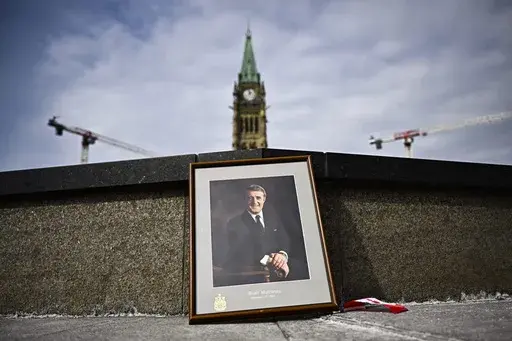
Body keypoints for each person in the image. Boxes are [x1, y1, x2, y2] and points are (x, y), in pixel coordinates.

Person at [221, 184, 296, 285]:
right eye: (250, 198)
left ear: (264, 199)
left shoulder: (272, 216)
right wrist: (271, 260)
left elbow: (284, 238)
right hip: (254, 271)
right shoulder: (235, 223)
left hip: (280, 265)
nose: (255, 202)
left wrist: (282, 255)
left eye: (258, 198)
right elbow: (242, 251)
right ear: (245, 200)